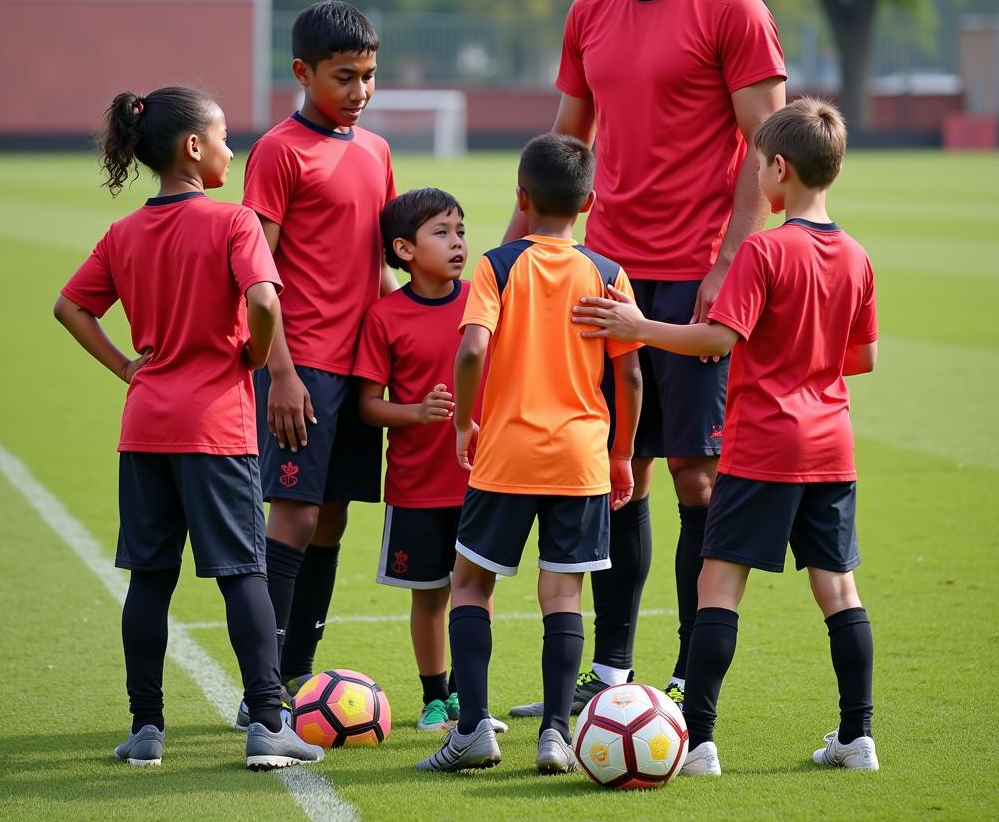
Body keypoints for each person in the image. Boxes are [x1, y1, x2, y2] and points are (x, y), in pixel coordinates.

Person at [505, 0, 787, 718]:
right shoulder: (589, 14)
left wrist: (729, 261)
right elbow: (565, 148)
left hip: (698, 278)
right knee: (613, 467)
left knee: (697, 478)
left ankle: (683, 674)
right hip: (605, 276)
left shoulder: (732, 8)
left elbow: (768, 146)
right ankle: (613, 674)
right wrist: (514, 256)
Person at [572, 97, 879, 775]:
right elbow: (863, 359)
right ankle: (858, 738)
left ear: (778, 169)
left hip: (766, 442)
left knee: (719, 584)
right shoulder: (856, 256)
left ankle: (701, 741)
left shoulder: (765, 250)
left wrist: (638, 326)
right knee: (838, 591)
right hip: (832, 445)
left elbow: (715, 339)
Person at [54, 86, 322, 770]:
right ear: (194, 148)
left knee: (149, 579)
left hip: (145, 426)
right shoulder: (231, 222)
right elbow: (263, 299)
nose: (233, 150)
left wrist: (124, 365)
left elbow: (69, 307)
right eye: (226, 138)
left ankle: (146, 730)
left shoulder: (123, 234)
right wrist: (257, 356)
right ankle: (268, 722)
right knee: (243, 573)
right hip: (215, 426)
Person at [417, 133, 643, 776]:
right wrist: (622, 454)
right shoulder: (607, 273)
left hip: (507, 451)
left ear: (521, 196)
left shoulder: (496, 265)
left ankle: (472, 733)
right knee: (563, 597)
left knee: (470, 584)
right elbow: (629, 378)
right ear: (590, 202)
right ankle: (555, 733)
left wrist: (465, 423)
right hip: (581, 456)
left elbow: (469, 351)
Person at [239, 0, 396, 722]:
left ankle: (296, 675)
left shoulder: (376, 150)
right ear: (302, 72)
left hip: (362, 368)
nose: (359, 91)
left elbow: (384, 266)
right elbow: (255, 274)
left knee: (331, 519)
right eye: (344, 77)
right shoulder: (278, 151)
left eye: (368, 76)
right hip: (303, 369)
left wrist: (407, 347)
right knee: (295, 518)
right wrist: (279, 371)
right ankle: (260, 691)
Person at [354, 187, 504, 734]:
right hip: (416, 485)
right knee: (429, 596)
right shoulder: (384, 317)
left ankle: (471, 697)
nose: (457, 242)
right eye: (441, 233)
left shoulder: (482, 303)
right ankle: (435, 697)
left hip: (483, 481)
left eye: (460, 231)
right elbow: (368, 407)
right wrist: (416, 413)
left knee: (478, 591)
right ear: (405, 249)